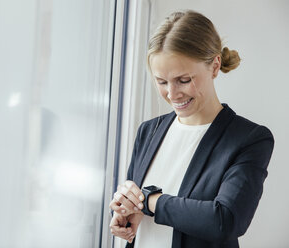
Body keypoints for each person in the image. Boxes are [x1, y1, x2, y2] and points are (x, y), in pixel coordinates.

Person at [109, 10, 274, 248]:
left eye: (184, 80)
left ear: (215, 66)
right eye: (162, 82)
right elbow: (139, 205)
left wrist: (149, 201)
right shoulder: (148, 132)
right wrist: (125, 209)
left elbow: (225, 220)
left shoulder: (249, 139)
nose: (172, 94)